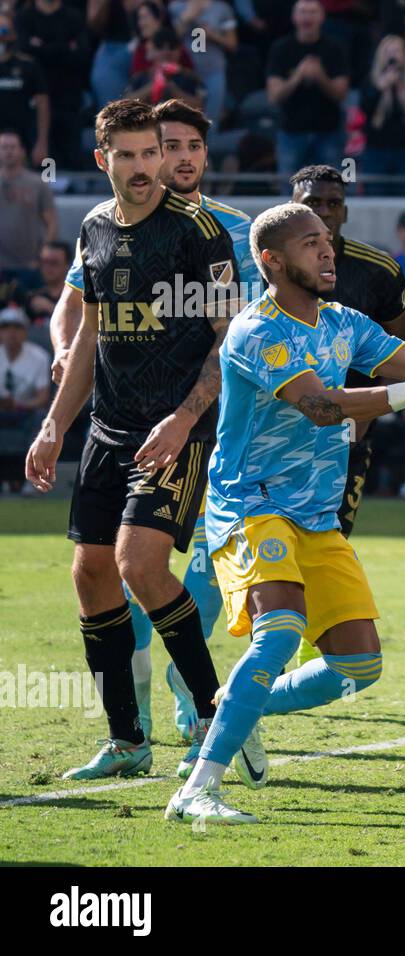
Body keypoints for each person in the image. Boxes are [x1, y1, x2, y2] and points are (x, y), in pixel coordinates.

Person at [162, 202, 405, 823]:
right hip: (251, 505)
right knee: (280, 632)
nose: (327, 251)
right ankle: (197, 789)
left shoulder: (344, 321)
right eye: (310, 243)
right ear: (272, 260)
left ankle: (238, 702)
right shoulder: (257, 329)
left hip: (316, 515)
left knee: (358, 664)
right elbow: (319, 405)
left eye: (327, 242)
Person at [24, 99, 235, 783]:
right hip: (108, 432)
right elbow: (88, 335)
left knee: (140, 565)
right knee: (91, 575)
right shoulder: (93, 229)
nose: (148, 168)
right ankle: (127, 741)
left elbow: (226, 335)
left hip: (178, 428)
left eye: (155, 153)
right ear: (103, 159)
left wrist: (183, 418)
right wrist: (56, 424)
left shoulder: (199, 232)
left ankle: (212, 720)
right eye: (133, 156)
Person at [291, 163, 405, 547]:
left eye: (334, 203)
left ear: (345, 211)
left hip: (349, 431)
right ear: (293, 206)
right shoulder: (262, 267)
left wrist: (369, 411)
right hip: (274, 432)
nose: (325, 211)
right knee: (274, 544)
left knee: (331, 541)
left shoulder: (378, 271)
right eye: (313, 202)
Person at [266, 0, 350, 180]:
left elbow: (341, 94)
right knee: (288, 192)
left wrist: (321, 77)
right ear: (294, 17)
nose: (307, 17)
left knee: (330, 190)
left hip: (328, 132)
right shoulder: (281, 48)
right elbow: (274, 96)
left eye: (312, 12)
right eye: (303, 12)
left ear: (322, 17)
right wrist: (297, 77)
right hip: (291, 131)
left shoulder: (335, 48)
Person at [15, 0, 90, 171]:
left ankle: (68, 192)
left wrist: (41, 47)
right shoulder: (25, 17)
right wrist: (64, 47)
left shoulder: (74, 17)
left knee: (71, 157)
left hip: (68, 98)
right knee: (43, 161)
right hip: (32, 102)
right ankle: (46, 189)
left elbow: (82, 55)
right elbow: (23, 51)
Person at [362, 35, 405, 194]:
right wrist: (380, 89)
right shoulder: (371, 82)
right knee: (376, 197)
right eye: (388, 51)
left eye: (397, 51)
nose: (393, 56)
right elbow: (365, 110)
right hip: (377, 151)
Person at [0, 307, 50, 495]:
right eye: (5, 327)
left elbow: (43, 398)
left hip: (26, 412)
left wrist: (18, 405)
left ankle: (36, 479)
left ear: (25, 331)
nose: (11, 332)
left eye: (17, 327)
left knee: (46, 421)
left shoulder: (39, 356)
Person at [0, 131, 58, 285]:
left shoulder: (38, 184)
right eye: (4, 147)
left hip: (29, 265)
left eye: (13, 147)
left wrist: (42, 259)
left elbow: (51, 224)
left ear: (22, 151)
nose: (9, 151)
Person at [168, 1, 237, 125]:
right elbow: (168, 40)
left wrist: (212, 34)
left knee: (211, 120)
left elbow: (232, 44)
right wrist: (186, 17)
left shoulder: (221, 8)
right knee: (183, 118)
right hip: (185, 73)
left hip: (214, 71)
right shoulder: (175, 7)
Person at [0, 14, 50, 170]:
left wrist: (41, 143)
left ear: (13, 34)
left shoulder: (28, 66)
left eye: (3, 31)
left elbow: (43, 105)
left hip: (23, 141)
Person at [124, 26, 207, 109]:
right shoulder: (139, 77)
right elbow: (126, 104)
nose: (166, 52)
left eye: (172, 46)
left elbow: (199, 106)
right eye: (159, 46)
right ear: (150, 49)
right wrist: (154, 85)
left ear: (179, 50)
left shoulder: (190, 77)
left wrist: (171, 88)